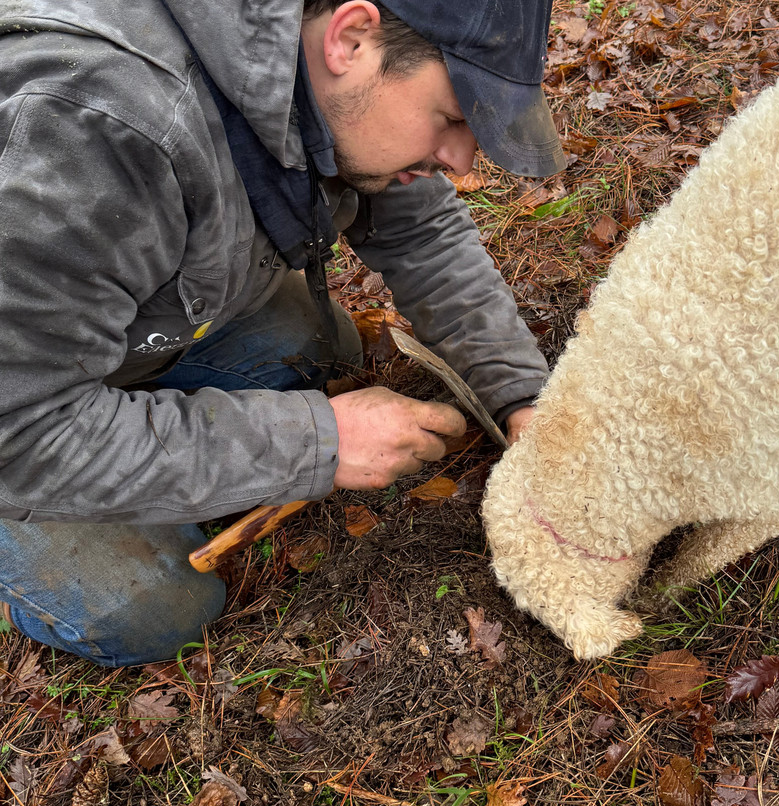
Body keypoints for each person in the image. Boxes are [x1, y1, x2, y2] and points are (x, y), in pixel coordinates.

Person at [0, 0, 566, 666]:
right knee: (151, 609)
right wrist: (317, 441)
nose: (462, 161)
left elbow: (424, 236)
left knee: (322, 349)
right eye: (450, 117)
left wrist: (520, 396)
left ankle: (122, 421)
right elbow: (21, 430)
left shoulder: (331, 86)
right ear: (350, 38)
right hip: (18, 410)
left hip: (95, 334)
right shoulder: (94, 129)